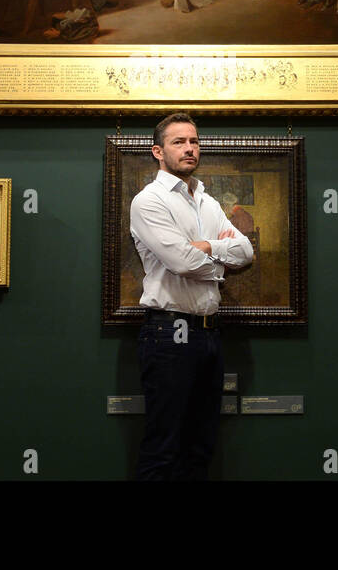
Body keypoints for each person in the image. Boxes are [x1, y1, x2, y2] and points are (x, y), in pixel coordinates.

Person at [131, 113, 253, 481]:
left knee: (200, 449)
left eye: (194, 141)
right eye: (179, 142)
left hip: (209, 333)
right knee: (164, 449)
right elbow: (182, 262)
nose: (189, 148)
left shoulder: (207, 202)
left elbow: (246, 252)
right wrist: (220, 262)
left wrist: (207, 246)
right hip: (168, 334)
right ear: (158, 151)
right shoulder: (149, 201)